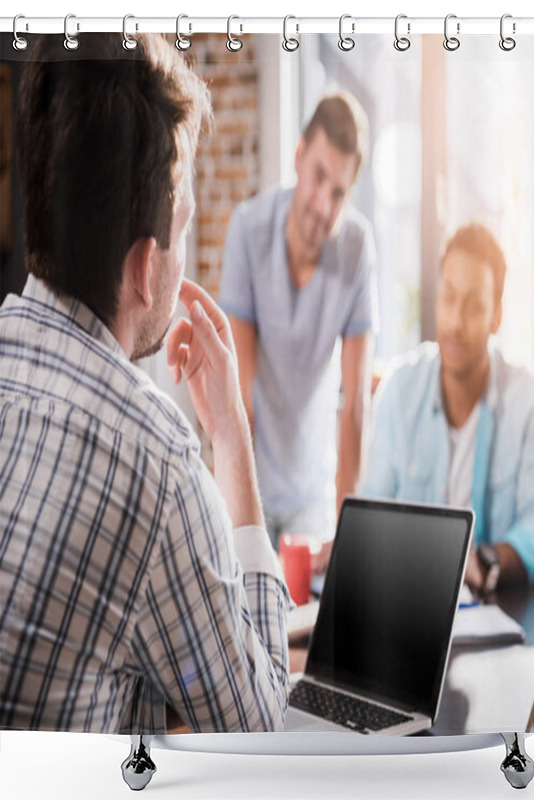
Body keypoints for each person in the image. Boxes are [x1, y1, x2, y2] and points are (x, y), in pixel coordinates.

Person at [0, 34, 291, 734]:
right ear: (145, 267)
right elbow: (259, 730)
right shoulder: (158, 467)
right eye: (184, 221)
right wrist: (230, 438)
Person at [360, 223, 534, 595]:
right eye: (449, 298)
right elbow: (369, 522)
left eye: (474, 306)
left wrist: (485, 560)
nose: (455, 322)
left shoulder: (528, 399)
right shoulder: (398, 392)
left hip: (496, 611)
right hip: (410, 607)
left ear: (496, 316)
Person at [218, 93, 377, 553]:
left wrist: (345, 529)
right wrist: (239, 512)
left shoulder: (357, 250)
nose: (323, 206)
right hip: (249, 484)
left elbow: (356, 406)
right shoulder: (248, 231)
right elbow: (240, 400)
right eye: (319, 177)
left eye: (339, 193)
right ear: (298, 157)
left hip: (312, 496)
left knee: (312, 619)